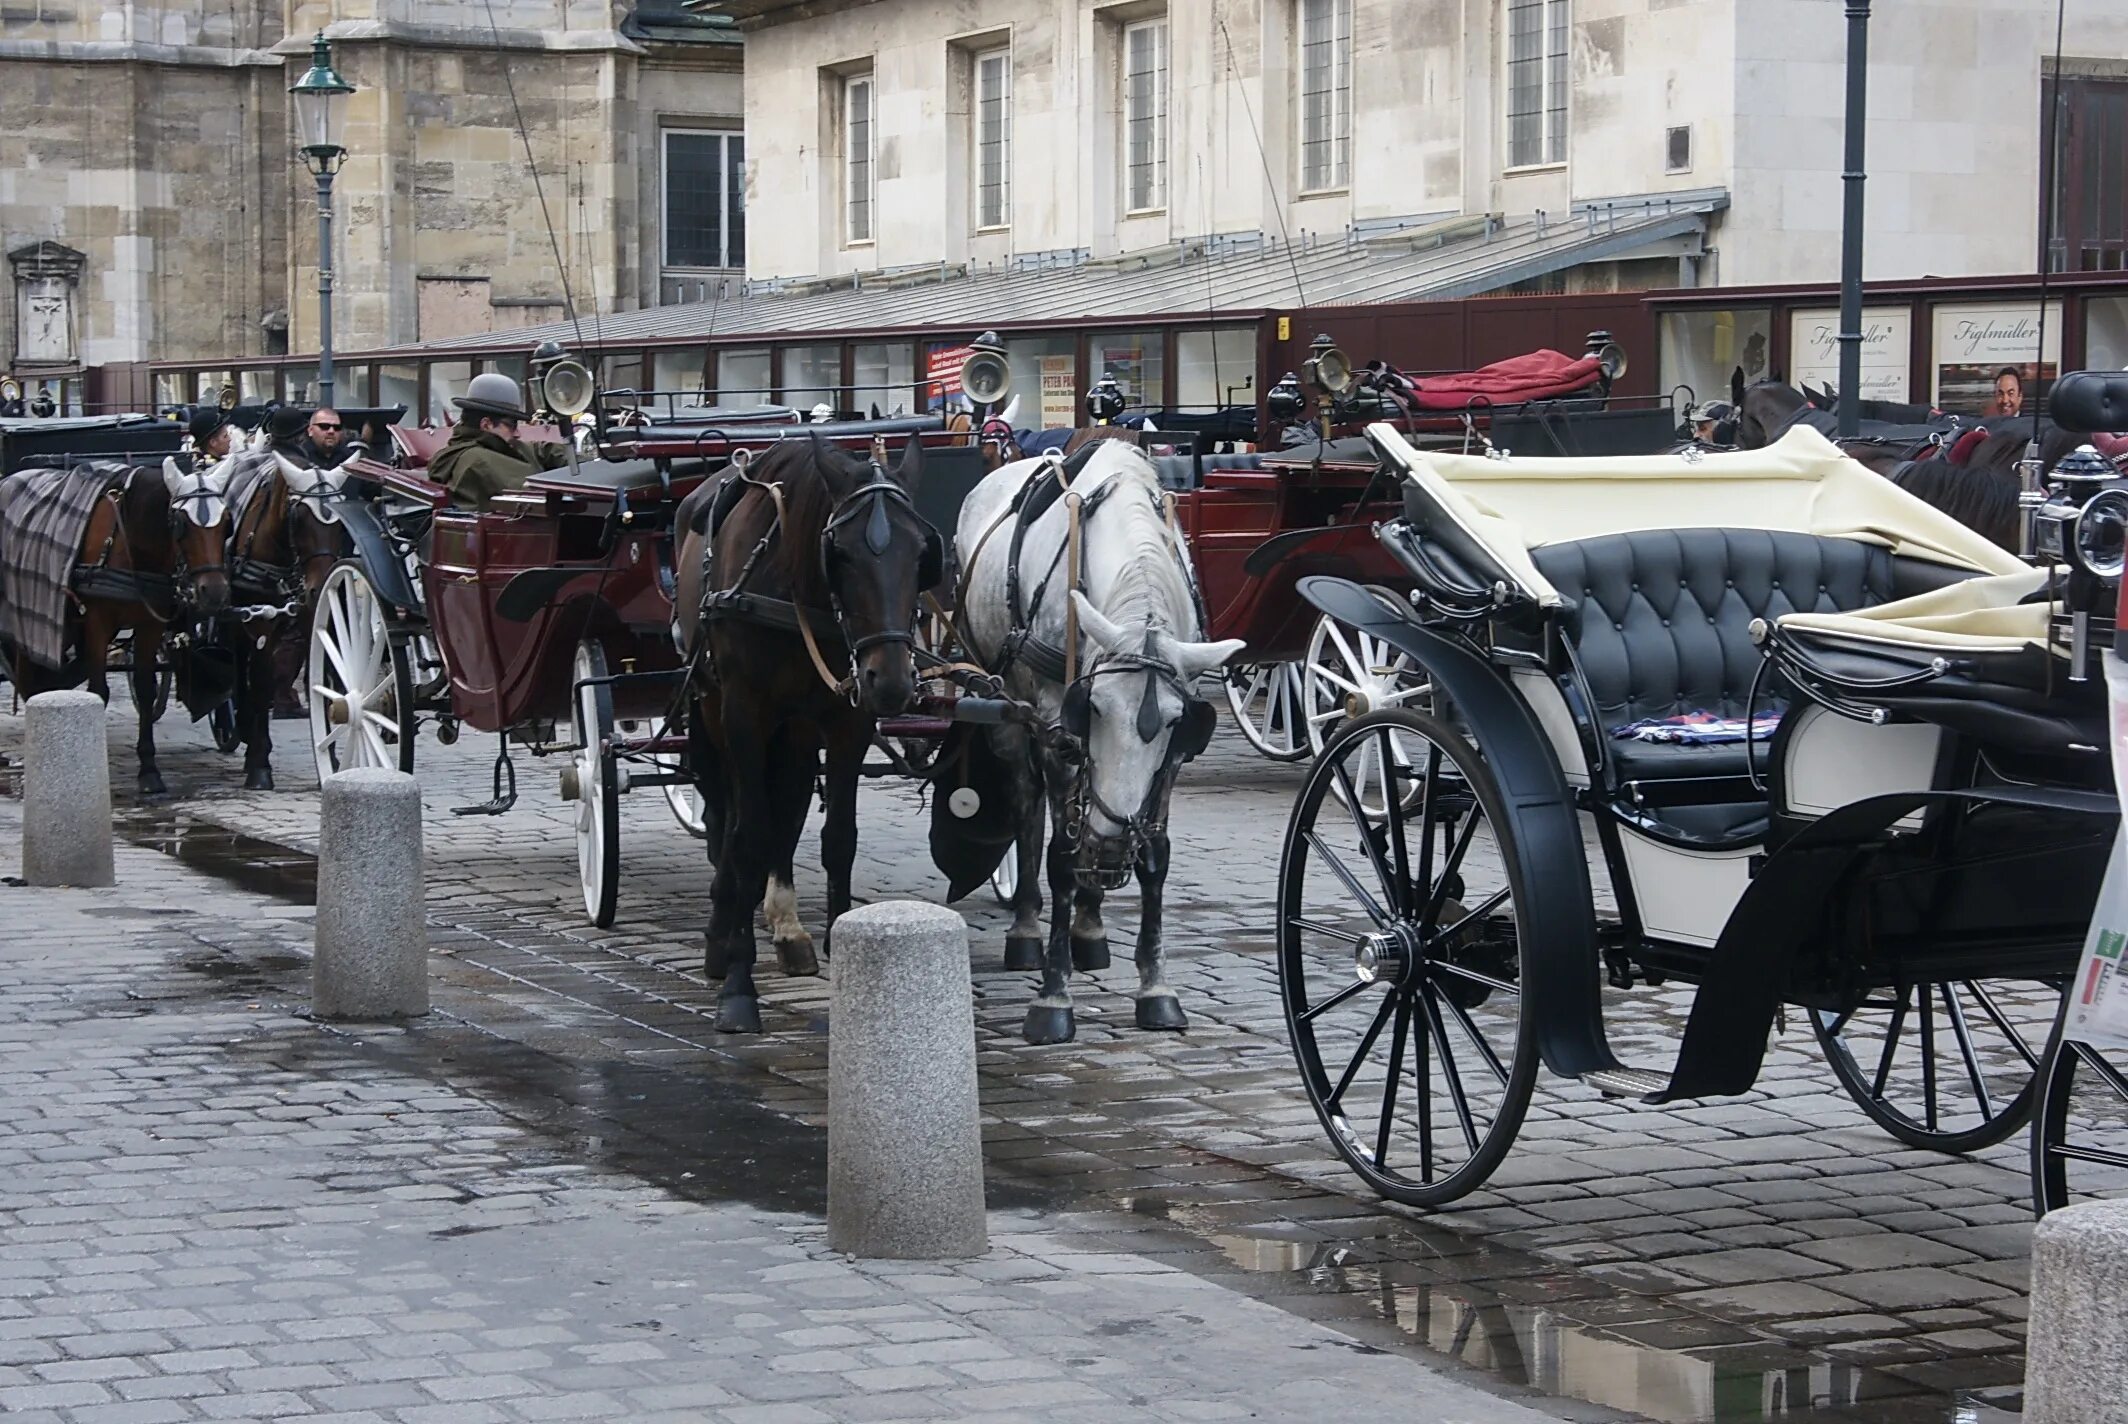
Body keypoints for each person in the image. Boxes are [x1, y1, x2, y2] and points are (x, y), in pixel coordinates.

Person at [430, 373, 571, 509]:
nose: (517, 433)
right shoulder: (478, 461)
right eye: (512, 425)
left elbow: (540, 450)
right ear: (487, 425)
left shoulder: (495, 447)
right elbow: (533, 497)